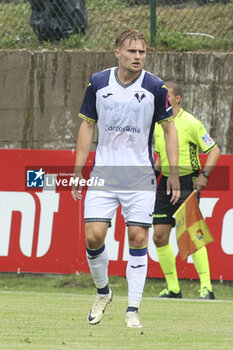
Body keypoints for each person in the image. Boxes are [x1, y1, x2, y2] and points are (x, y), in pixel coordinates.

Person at [71, 29, 180, 328]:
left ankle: (133, 309)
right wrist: (78, 169)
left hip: (140, 177)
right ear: (117, 52)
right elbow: (86, 127)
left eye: (142, 52)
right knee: (93, 236)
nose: (137, 57)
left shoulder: (156, 87)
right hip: (103, 175)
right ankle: (103, 292)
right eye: (132, 51)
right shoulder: (98, 83)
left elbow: (170, 130)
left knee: (138, 237)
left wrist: (172, 172)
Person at [153, 80, 221, 300]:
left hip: (186, 181)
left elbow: (214, 150)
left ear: (177, 98)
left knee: (193, 234)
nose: (162, 99)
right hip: (165, 183)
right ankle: (173, 288)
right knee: (159, 236)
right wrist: (151, 177)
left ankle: (206, 288)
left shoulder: (191, 122)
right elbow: (159, 156)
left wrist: (204, 176)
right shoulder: (157, 123)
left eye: (167, 95)